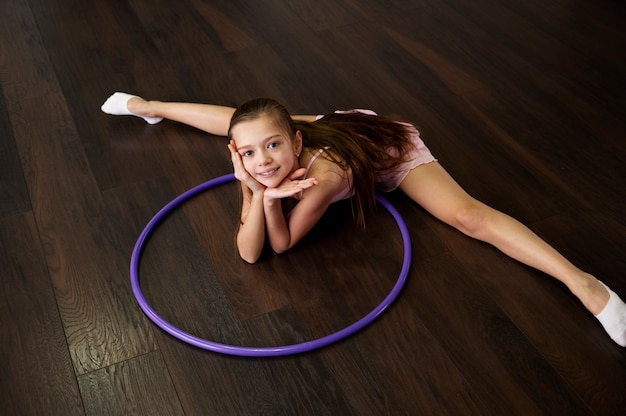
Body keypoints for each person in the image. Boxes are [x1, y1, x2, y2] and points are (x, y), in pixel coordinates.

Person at [102, 92, 626, 347]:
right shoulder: (261, 156)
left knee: (468, 217)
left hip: (383, 149)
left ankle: (587, 286)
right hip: (330, 128)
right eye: (248, 155)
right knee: (245, 120)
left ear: (297, 145)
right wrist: (254, 186)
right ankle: (149, 103)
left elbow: (276, 249)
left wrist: (262, 195)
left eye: (273, 149)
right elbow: (248, 248)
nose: (262, 161)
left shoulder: (322, 178)